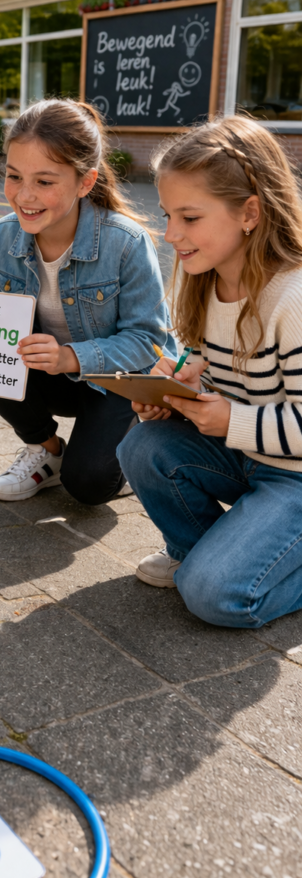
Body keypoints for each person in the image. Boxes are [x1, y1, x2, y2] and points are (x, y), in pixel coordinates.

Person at [118, 116, 302, 628]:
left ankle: (227, 568)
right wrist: (182, 389)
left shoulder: (292, 299)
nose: (170, 234)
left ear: (249, 213)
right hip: (251, 459)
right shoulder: (206, 282)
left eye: (190, 217)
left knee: (214, 597)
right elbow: (225, 376)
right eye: (168, 215)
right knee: (142, 444)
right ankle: (197, 553)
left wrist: (230, 420)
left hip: (295, 477)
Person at [0, 98, 175, 505]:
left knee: (88, 485)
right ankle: (47, 451)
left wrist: (69, 357)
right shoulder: (2, 236)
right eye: (14, 176)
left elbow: (148, 342)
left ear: (85, 183)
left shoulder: (126, 242)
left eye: (45, 182)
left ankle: (131, 451)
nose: (24, 195)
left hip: (113, 381)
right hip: (49, 376)